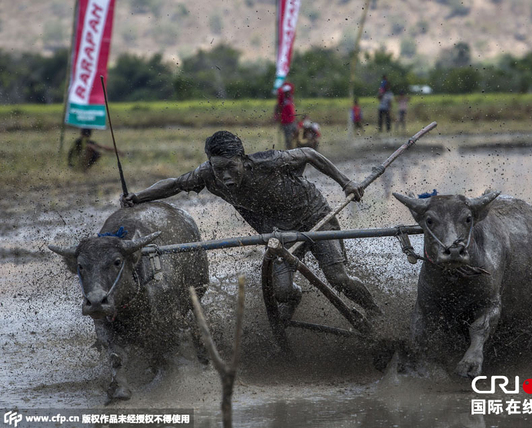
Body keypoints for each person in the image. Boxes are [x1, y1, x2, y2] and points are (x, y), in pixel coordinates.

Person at [121, 131, 381, 321]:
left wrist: (346, 183)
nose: (225, 176)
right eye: (218, 168)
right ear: (211, 164)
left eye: (231, 167)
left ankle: (376, 313)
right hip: (280, 232)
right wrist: (138, 197)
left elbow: (310, 155)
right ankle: (294, 299)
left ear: (242, 160)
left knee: (338, 278)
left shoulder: (268, 162)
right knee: (281, 291)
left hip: (315, 217)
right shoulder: (206, 174)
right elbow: (175, 184)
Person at [274, 83, 297, 150]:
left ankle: (294, 146)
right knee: (288, 137)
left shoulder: (290, 97)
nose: (288, 93)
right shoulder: (282, 99)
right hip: (286, 121)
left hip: (292, 120)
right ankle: (289, 149)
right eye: (286, 92)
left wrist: (284, 82)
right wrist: (276, 116)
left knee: (297, 133)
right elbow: (277, 107)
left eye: (288, 91)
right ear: (284, 92)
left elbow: (292, 86)